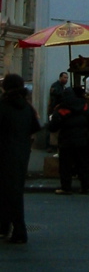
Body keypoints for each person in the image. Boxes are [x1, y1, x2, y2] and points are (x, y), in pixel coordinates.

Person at [0, 74, 41, 244]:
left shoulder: (3, 106)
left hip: (4, 153)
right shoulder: (27, 107)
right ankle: (7, 226)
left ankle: (17, 230)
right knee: (14, 191)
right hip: (21, 153)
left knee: (7, 193)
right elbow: (35, 128)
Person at [48, 86, 89, 195]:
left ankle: (66, 187)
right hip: (83, 140)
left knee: (65, 166)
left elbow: (53, 127)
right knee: (83, 164)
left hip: (66, 141)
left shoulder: (61, 109)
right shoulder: (84, 106)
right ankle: (86, 186)